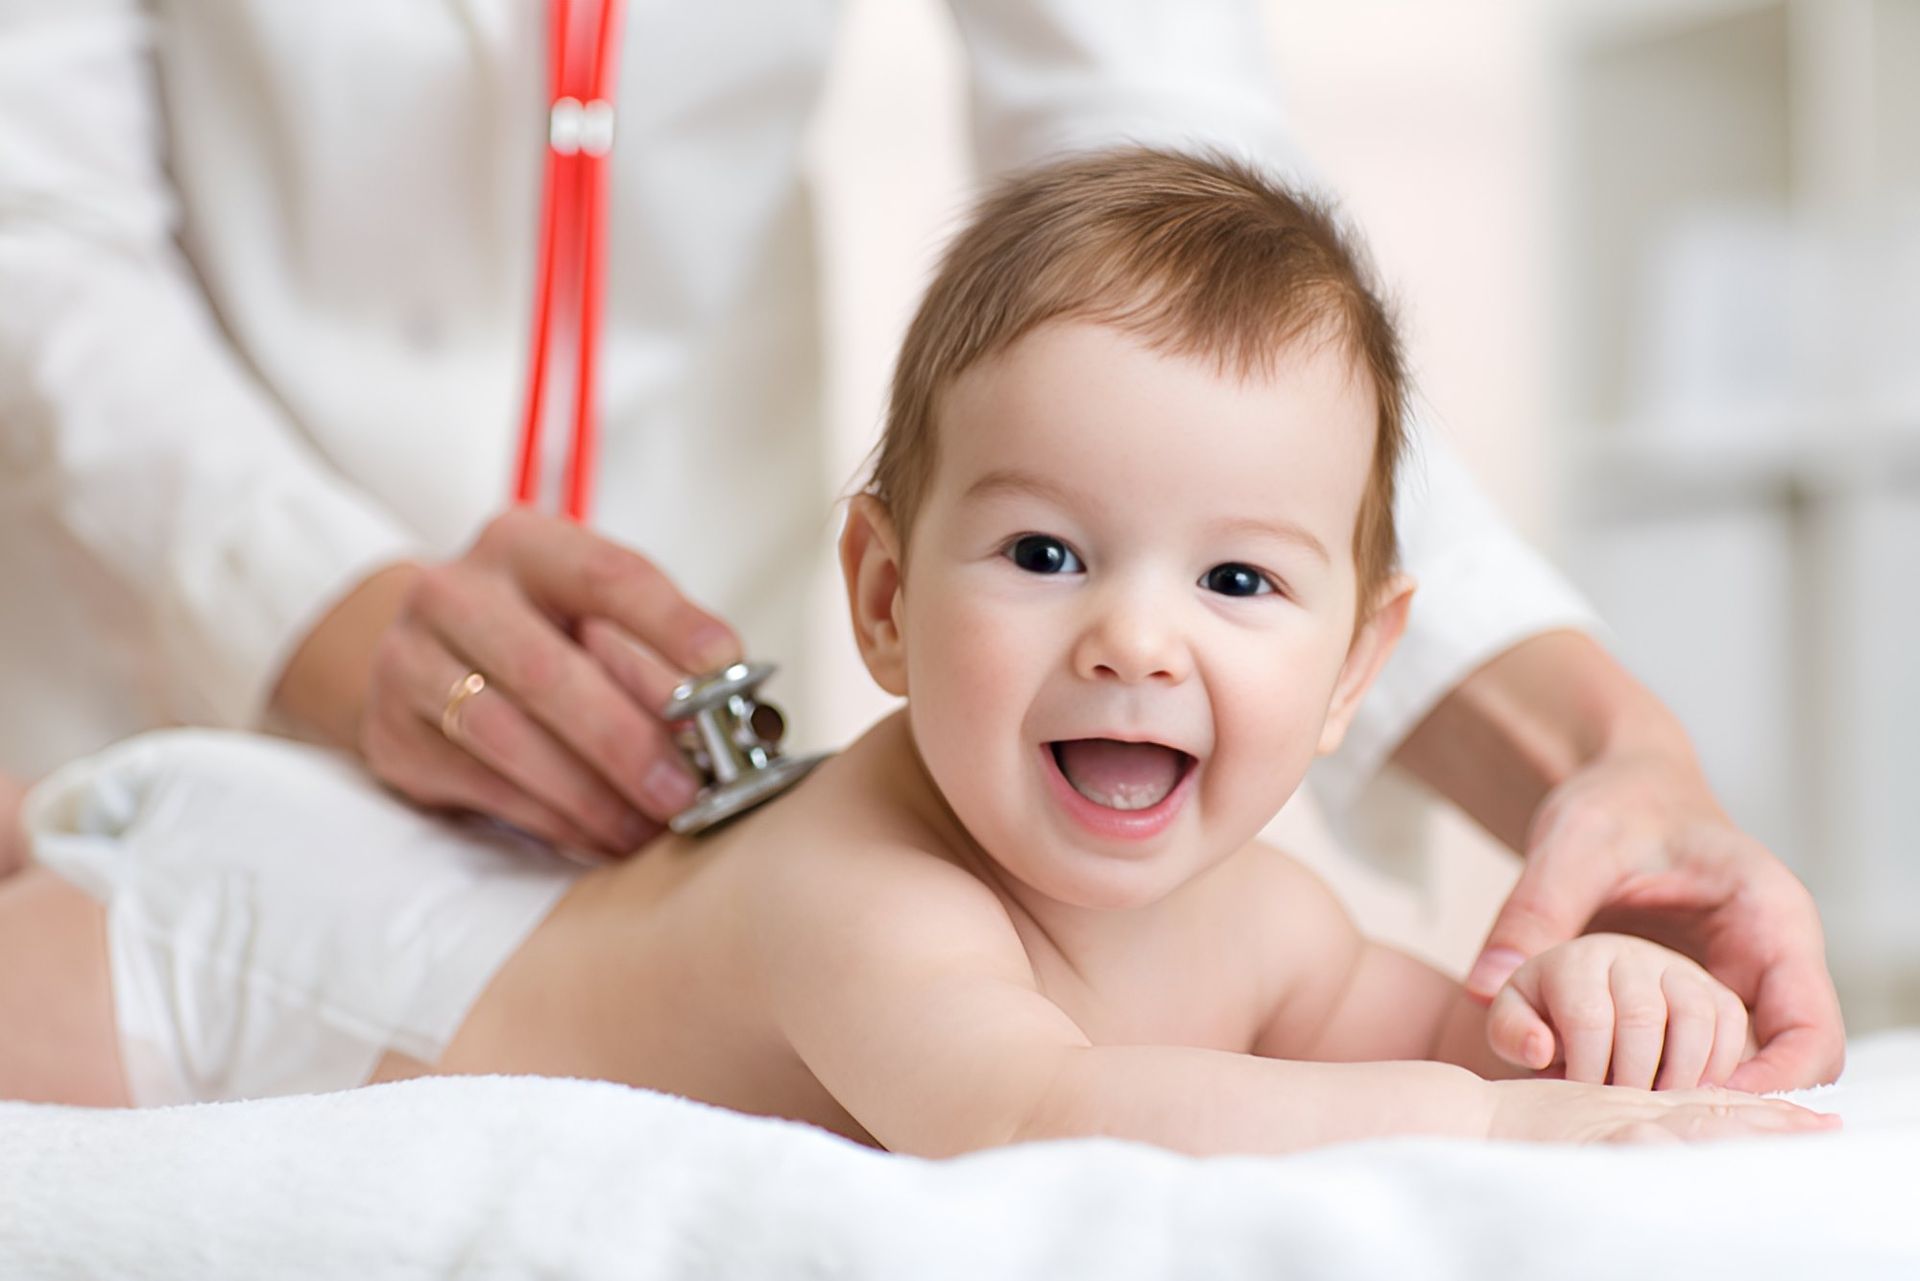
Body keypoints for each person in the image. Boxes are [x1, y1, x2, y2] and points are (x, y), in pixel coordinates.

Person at [0, 3, 1841, 1092]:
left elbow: (1181, 271)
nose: (1136, 637)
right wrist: (1521, 1131)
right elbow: (36, 221)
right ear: (882, 591)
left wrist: (1603, 977)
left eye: (1238, 585)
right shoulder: (880, 908)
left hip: (644, 731)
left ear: (1363, 654)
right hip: (210, 829)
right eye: (1046, 558)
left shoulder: (1263, 922)